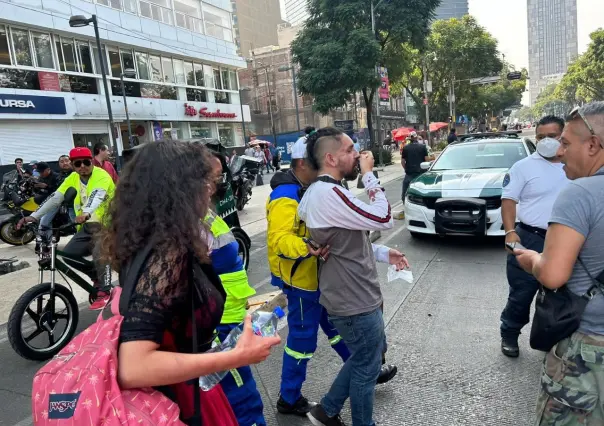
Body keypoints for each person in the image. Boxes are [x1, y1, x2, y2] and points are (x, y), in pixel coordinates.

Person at [97, 141, 281, 426]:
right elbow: (134, 366)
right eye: (204, 181)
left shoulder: (150, 240)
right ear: (178, 188)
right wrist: (235, 356)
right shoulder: (167, 253)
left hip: (184, 386)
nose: (211, 190)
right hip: (181, 396)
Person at [299, 127, 408, 426]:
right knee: (366, 368)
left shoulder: (326, 192)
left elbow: (349, 242)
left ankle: (326, 410)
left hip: (352, 294)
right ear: (331, 158)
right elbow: (384, 217)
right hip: (353, 299)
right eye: (350, 150)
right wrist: (370, 175)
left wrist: (386, 255)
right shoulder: (328, 193)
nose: (358, 155)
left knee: (362, 359)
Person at [514, 102, 604, 424]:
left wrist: (533, 259)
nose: (559, 152)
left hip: (589, 348)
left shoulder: (580, 193)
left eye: (565, 142)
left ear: (593, 145)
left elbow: (553, 275)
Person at [266, 136, 350, 417]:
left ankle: (364, 368)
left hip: (317, 279)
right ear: (303, 164)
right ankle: (288, 398)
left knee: (338, 329)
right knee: (302, 341)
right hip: (301, 282)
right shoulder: (285, 196)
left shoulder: (307, 188)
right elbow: (279, 240)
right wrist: (307, 247)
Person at [499, 116, 569, 357]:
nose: (546, 142)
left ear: (564, 136)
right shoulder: (523, 167)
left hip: (566, 241)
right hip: (530, 237)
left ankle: (553, 338)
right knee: (522, 294)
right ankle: (509, 332)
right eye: (540, 137)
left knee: (562, 295)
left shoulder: (576, 165)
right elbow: (508, 200)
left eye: (552, 136)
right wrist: (510, 233)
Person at [206, 152, 265, 426]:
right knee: (242, 399)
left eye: (220, 177)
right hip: (216, 327)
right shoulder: (188, 223)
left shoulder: (203, 212)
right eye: (212, 177)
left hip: (229, 318)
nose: (218, 184)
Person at [18, 147, 116, 310]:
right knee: (69, 255)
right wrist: (34, 216)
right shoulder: (72, 178)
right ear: (73, 165)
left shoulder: (101, 175)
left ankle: (105, 292)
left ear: (91, 161)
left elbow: (96, 195)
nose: (82, 166)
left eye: (86, 162)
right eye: (78, 163)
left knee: (101, 252)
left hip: (108, 225)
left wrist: (85, 212)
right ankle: (96, 276)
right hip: (88, 226)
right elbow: (55, 197)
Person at [401, 131, 433, 202]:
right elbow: (426, 160)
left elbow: (403, 162)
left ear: (410, 138)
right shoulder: (423, 147)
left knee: (405, 193)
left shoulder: (405, 148)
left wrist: (406, 169)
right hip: (420, 173)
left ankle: (405, 205)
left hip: (409, 174)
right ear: (416, 137)